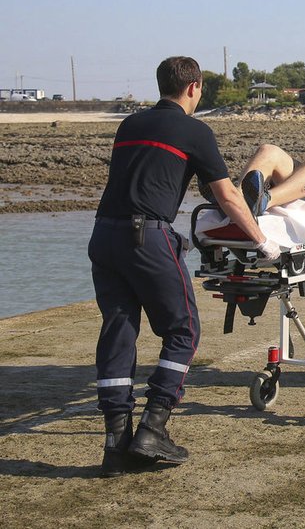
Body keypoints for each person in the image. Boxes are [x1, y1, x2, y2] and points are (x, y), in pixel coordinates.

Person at [89, 57, 278, 477]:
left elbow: (144, 180)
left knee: (118, 331)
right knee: (184, 330)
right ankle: (154, 425)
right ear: (194, 88)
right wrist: (263, 243)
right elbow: (228, 197)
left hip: (104, 236)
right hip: (145, 237)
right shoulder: (195, 131)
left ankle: (115, 445)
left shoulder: (129, 126)